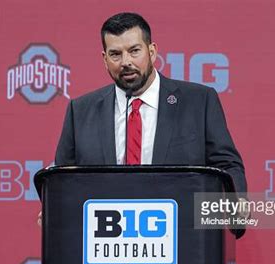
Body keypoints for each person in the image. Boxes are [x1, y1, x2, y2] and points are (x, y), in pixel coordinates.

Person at [54, 12, 247, 195]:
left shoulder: (198, 101)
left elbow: (227, 165)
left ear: (152, 51)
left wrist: (236, 205)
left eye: (134, 51)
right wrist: (56, 207)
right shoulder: (80, 111)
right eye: (115, 54)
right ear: (105, 59)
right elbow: (63, 179)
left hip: (181, 224)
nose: (126, 62)